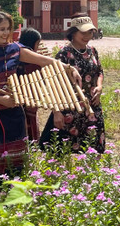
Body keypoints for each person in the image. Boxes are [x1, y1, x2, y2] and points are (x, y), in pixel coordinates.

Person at [0, 11, 81, 190]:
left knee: (17, 162)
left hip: (15, 116)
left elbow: (44, 61)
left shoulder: (14, 50)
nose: (6, 33)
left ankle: (14, 204)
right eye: (1, 29)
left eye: (8, 29)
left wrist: (69, 68)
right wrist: (0, 101)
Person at [38, 14, 105, 153]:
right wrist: (56, 111)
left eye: (90, 32)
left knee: (93, 147)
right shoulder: (64, 54)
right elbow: (53, 84)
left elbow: (99, 71)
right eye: (83, 32)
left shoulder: (92, 51)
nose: (87, 35)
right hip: (70, 107)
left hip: (92, 106)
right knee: (63, 149)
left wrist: (99, 86)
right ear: (73, 33)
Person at [16, 27, 47, 142]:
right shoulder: (34, 63)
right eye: (38, 44)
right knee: (29, 123)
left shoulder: (15, 57)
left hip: (16, 98)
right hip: (30, 99)